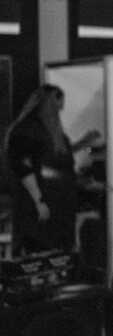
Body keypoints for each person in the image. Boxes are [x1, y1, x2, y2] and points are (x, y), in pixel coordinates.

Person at [4, 84, 100, 255]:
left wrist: (83, 143)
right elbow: (22, 166)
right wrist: (39, 201)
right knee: (40, 248)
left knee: (55, 250)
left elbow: (53, 156)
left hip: (58, 203)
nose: (59, 113)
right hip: (43, 204)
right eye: (59, 107)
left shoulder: (45, 131)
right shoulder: (28, 130)